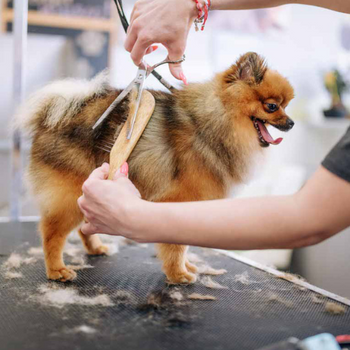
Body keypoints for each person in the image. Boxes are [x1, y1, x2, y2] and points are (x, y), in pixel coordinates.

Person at [77, 0, 350, 250]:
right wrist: (193, 4)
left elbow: (308, 220)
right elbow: (306, 219)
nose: (283, 118)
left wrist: (133, 217)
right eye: (271, 107)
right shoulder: (201, 138)